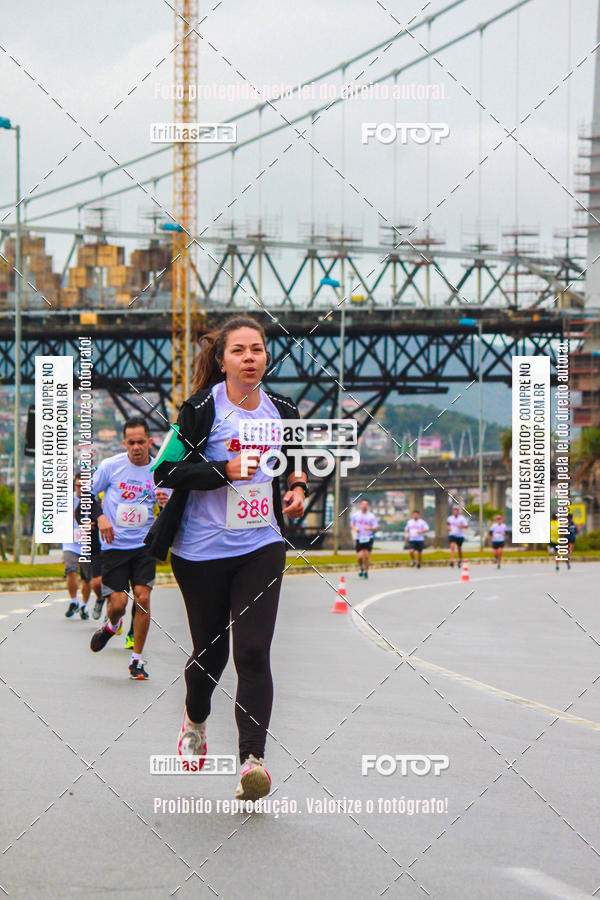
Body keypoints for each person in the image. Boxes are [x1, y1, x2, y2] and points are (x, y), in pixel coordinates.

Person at [146, 315, 308, 802]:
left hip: (261, 544)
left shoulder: (282, 409)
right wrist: (223, 469)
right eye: (239, 351)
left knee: (254, 652)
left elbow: (291, 462)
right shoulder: (199, 409)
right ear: (222, 361)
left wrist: (297, 488)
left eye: (257, 349)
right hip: (200, 552)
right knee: (211, 654)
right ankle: (195, 716)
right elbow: (164, 469)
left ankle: (251, 762)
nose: (250, 358)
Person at [89, 418, 170, 679]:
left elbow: (174, 508)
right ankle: (113, 625)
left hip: (144, 545)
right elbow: (89, 495)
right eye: (131, 442)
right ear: (124, 443)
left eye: (141, 442)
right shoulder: (110, 466)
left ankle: (137, 659)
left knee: (143, 598)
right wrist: (100, 517)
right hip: (114, 545)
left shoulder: (160, 470)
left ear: (150, 442)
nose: (136, 447)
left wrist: (166, 502)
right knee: (118, 604)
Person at [63, 473, 103, 619]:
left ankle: (84, 606)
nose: (81, 489)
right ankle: (73, 601)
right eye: (78, 486)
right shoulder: (67, 500)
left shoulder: (94, 500)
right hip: (71, 542)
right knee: (71, 570)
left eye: (84, 486)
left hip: (88, 543)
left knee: (88, 579)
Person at [350, 499, 378, 578]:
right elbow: (352, 524)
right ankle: (361, 568)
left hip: (368, 538)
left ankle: (366, 571)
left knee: (367, 556)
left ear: (368, 506)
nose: (364, 506)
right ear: (360, 505)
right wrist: (355, 529)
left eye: (366, 504)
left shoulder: (371, 516)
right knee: (359, 557)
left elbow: (375, 527)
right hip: (359, 537)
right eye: (363, 504)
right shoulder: (355, 515)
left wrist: (369, 528)